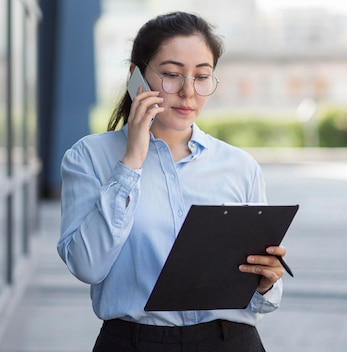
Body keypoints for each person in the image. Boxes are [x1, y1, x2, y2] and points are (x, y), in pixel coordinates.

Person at [58, 11, 288, 352]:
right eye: (170, 74)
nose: (188, 92)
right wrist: (131, 162)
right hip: (135, 342)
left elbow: (262, 300)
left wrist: (266, 283)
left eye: (202, 76)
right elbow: (87, 266)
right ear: (136, 77)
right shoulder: (88, 158)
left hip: (231, 342)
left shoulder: (239, 166)